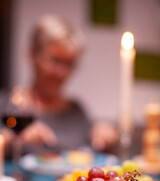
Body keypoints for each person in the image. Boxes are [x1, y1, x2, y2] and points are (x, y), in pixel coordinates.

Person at [1, 15, 119, 155]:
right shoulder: (6, 105)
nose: (61, 72)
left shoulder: (76, 112)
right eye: (55, 61)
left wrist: (106, 137)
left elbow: (97, 158)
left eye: (69, 64)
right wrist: (14, 138)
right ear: (32, 54)